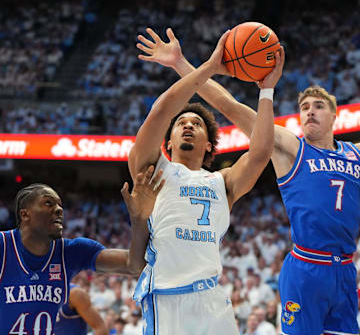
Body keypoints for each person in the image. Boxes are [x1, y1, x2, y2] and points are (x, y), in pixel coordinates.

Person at [140, 27, 360, 334]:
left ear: (335, 115)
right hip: (308, 264)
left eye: (319, 106)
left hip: (347, 268)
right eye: (304, 107)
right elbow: (228, 106)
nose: (310, 112)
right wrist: (181, 65)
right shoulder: (291, 147)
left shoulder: (355, 153)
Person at [129, 28, 283, 335]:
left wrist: (267, 90)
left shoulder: (221, 182)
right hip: (169, 299)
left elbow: (261, 152)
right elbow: (161, 111)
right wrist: (210, 66)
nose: (187, 125)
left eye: (196, 124)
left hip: (213, 300)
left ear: (210, 145)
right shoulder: (152, 169)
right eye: (181, 124)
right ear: (167, 143)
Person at [0, 166, 164, 334]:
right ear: (25, 214)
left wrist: (139, 219)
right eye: (48, 203)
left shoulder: (71, 251)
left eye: (60, 205)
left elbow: (133, 265)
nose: (59, 209)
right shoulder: (4, 245)